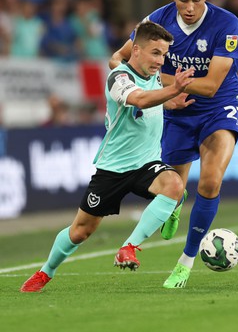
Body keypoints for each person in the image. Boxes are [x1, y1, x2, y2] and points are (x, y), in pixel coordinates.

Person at [20, 20, 194, 293]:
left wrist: (172, 101)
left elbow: (152, 97)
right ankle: (45, 273)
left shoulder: (154, 75)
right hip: (113, 168)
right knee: (80, 231)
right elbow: (139, 99)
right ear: (136, 50)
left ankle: (129, 247)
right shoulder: (119, 78)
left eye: (164, 54)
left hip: (147, 162)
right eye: (155, 53)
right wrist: (174, 90)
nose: (161, 61)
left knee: (174, 184)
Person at [109, 0, 238, 289]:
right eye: (183, 0)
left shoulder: (227, 24)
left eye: (197, 0)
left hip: (219, 107)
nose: (189, 8)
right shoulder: (156, 21)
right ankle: (174, 205)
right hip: (176, 112)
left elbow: (211, 85)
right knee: (173, 189)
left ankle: (185, 262)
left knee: (210, 183)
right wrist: (159, 93)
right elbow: (118, 59)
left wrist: (163, 82)